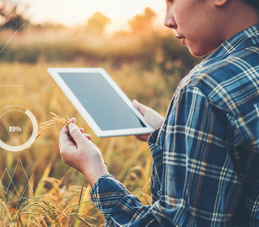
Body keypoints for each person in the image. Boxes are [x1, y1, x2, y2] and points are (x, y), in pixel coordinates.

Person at [59, 0, 259, 225]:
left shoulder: (203, 88)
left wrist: (95, 171)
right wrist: (169, 132)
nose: (167, 21)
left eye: (172, 1)